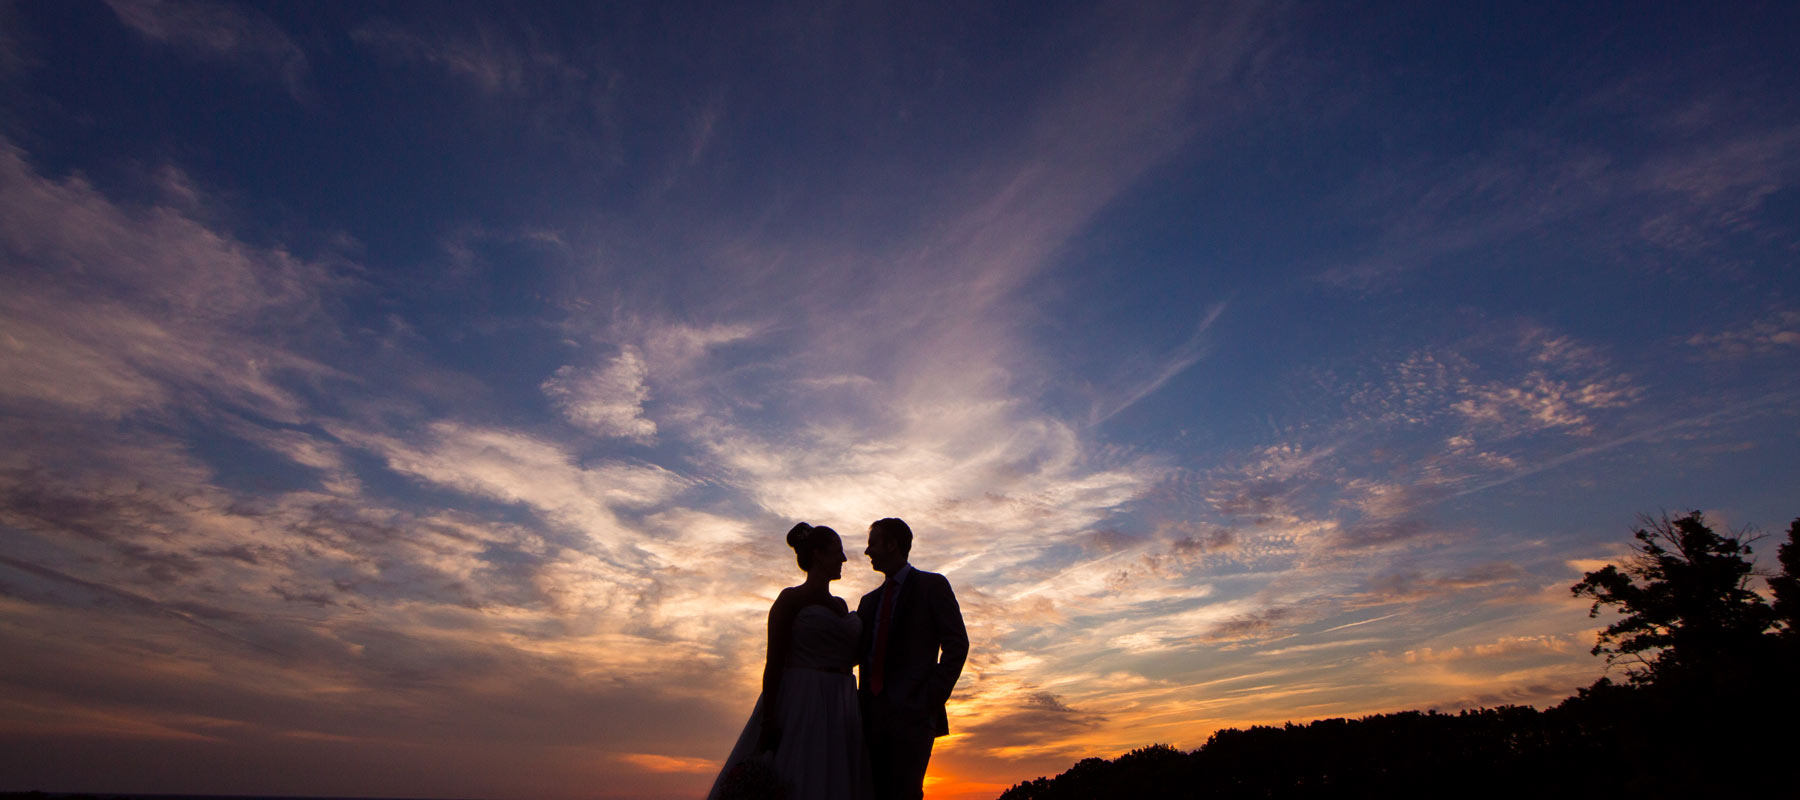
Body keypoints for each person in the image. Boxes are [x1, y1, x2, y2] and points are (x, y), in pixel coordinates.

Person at [708, 523, 872, 800]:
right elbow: (773, 663)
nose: (844, 559)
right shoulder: (791, 600)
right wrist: (769, 719)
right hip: (803, 699)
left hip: (841, 703)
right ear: (818, 554)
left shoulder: (842, 605)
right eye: (837, 552)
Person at [857, 518, 969, 800]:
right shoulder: (868, 602)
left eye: (873, 543)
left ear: (892, 544)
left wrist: (930, 697)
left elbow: (957, 644)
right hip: (870, 720)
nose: (867, 551)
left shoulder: (932, 586)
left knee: (906, 793)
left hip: (914, 718)